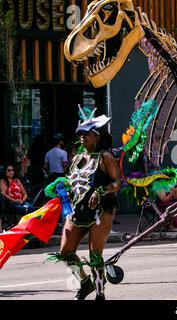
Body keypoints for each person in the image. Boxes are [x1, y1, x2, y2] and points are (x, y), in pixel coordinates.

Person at [47, 111, 121, 300]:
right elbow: (72, 182)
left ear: (96, 136)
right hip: (77, 209)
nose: (82, 137)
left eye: (86, 134)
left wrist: (100, 191)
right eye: (80, 134)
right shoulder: (78, 158)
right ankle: (85, 282)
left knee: (95, 254)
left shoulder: (105, 157)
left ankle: (100, 294)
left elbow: (118, 183)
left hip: (101, 210)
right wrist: (61, 187)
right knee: (65, 252)